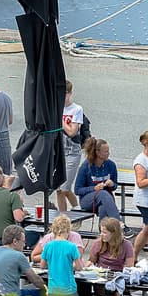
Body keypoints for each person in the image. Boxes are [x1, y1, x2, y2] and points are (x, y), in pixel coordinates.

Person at [0, 225, 47, 296]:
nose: (24, 245)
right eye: (23, 241)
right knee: (42, 294)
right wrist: (46, 287)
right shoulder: (19, 256)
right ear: (15, 241)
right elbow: (35, 280)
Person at [86, 218, 135, 296]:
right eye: (101, 232)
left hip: (116, 277)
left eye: (104, 232)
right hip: (100, 276)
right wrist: (84, 267)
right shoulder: (98, 243)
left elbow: (130, 266)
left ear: (114, 233)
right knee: (83, 286)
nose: (102, 235)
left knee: (115, 292)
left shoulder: (126, 245)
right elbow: (91, 261)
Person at [73, 137, 123, 223]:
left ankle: (104, 233)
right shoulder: (85, 167)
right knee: (102, 193)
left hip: (105, 199)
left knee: (103, 208)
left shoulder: (111, 165)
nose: (109, 153)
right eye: (106, 151)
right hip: (88, 200)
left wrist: (112, 184)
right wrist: (94, 188)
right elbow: (77, 190)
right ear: (97, 152)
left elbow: (115, 185)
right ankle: (119, 223)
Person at [40, 214, 83, 296]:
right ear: (68, 230)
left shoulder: (48, 246)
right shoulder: (72, 247)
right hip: (69, 288)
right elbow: (79, 267)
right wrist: (71, 266)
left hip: (53, 289)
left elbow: (42, 265)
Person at [56, 80, 84, 212]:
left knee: (64, 188)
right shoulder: (55, 107)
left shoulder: (76, 109)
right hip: (58, 152)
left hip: (71, 152)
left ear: (70, 93)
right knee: (59, 189)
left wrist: (59, 119)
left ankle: (70, 212)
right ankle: (73, 210)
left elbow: (72, 131)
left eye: (65, 94)